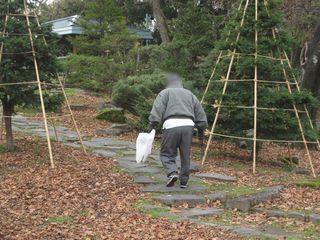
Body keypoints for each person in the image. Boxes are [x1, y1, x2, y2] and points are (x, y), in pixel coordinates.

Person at [148, 74, 208, 188]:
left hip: (171, 125)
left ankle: (172, 173)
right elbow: (200, 112)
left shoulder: (165, 92)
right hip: (188, 126)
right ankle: (184, 181)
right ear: (180, 83)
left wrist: (152, 124)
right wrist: (201, 126)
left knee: (166, 153)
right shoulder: (190, 94)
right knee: (185, 154)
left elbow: (157, 108)